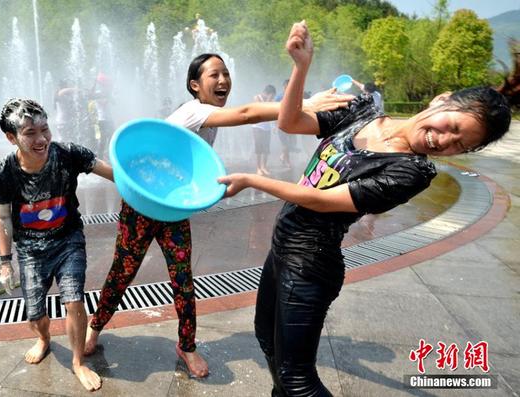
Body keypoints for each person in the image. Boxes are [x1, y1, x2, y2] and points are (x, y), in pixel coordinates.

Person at [218, 21, 516, 397]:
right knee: (267, 339)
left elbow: (322, 200)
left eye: (460, 144)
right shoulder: (363, 110)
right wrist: (301, 66)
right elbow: (290, 122)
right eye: (452, 125)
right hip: (283, 246)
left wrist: (251, 179)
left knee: (298, 379)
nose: (444, 140)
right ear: (442, 100)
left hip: (312, 264)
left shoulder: (413, 170)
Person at [85, 53, 353, 378]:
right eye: (215, 75)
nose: (223, 80)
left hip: (172, 209)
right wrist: (307, 103)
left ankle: (186, 345)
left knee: (182, 277)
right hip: (142, 204)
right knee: (122, 272)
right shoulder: (194, 111)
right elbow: (245, 114)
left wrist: (207, 190)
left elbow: (193, 166)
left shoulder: (208, 117)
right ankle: (95, 327)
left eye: (226, 73)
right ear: (195, 85)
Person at [0, 98, 114, 392]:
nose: (41, 138)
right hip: (30, 250)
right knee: (35, 314)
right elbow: (3, 218)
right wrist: (6, 263)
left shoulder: (69, 154)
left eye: (45, 129)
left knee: (73, 299)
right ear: (12, 137)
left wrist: (146, 186)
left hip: (68, 238)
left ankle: (77, 362)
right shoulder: (2, 172)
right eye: (30, 132)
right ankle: (44, 338)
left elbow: (112, 174)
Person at [252, 84, 276, 176]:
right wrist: (269, 101)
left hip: (267, 127)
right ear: (268, 93)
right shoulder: (257, 97)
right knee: (259, 147)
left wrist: (273, 126)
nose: (272, 97)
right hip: (257, 127)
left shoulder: (270, 101)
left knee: (266, 148)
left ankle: (264, 167)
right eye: (272, 95)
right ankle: (258, 168)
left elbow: (272, 113)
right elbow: (261, 109)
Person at [275, 79, 297, 168]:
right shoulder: (279, 97)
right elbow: (275, 111)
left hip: (291, 122)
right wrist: (274, 124)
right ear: (284, 86)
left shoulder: (293, 95)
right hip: (281, 123)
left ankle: (284, 157)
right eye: (287, 85)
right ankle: (285, 159)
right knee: (285, 143)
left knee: (291, 143)